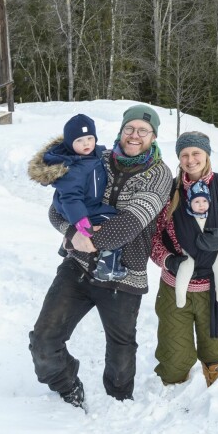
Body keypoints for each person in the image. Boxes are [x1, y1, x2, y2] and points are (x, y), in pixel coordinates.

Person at [28, 104, 173, 408]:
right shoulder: (96, 158)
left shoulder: (159, 175)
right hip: (78, 268)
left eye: (143, 130)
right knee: (43, 341)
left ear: (154, 136)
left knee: (121, 353)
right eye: (130, 128)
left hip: (124, 275)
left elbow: (130, 223)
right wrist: (72, 234)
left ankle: (120, 402)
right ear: (121, 130)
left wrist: (88, 240)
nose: (135, 135)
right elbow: (58, 209)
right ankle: (66, 385)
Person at [151, 131, 218, 387]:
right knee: (174, 360)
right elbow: (153, 238)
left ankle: (216, 393)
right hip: (176, 286)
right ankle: (171, 397)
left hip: (213, 286)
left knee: (216, 350)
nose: (190, 159)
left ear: (206, 154)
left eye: (196, 153)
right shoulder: (170, 190)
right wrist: (168, 260)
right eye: (184, 154)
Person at [28, 113, 123, 280]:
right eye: (79, 140)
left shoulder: (93, 154)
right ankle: (107, 264)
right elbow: (71, 199)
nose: (86, 143)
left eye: (89, 138)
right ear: (70, 144)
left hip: (84, 203)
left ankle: (67, 245)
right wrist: (81, 223)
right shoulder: (73, 168)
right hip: (81, 207)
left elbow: (102, 152)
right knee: (114, 220)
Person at [172, 180, 218, 308]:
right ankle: (180, 294)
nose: (201, 205)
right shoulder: (186, 216)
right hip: (190, 251)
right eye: (196, 202)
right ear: (189, 203)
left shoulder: (214, 215)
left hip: (213, 251)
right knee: (186, 265)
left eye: (204, 201)